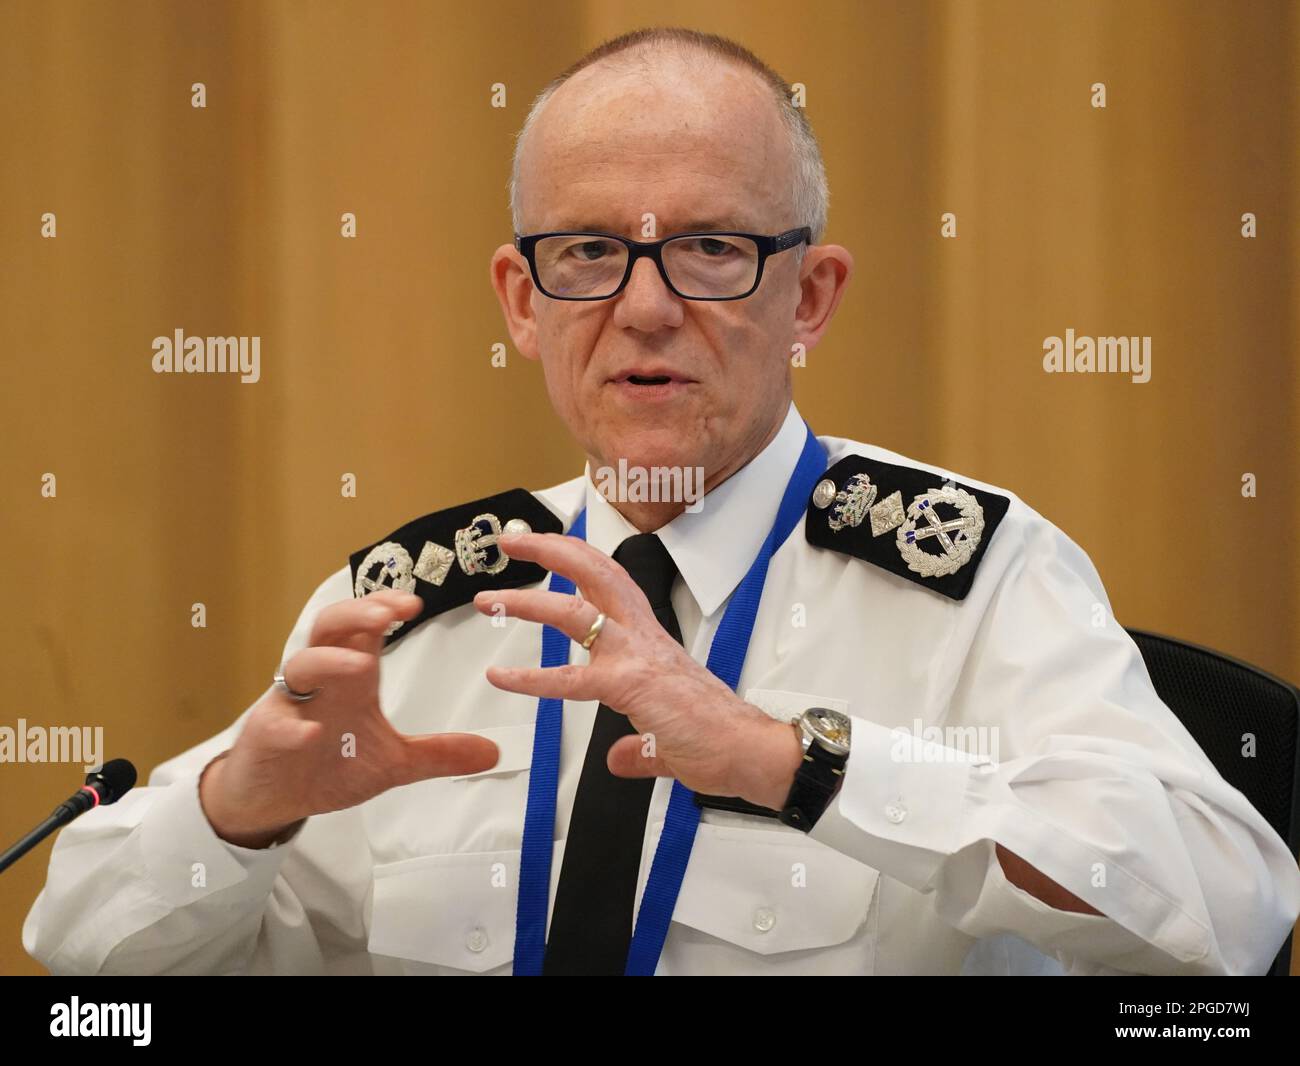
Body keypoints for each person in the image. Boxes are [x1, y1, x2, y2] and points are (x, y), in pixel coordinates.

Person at [23, 27, 1300, 976]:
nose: (642, 307)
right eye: (587, 252)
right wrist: (236, 815)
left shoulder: (971, 575)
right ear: (521, 304)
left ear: (808, 298)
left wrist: (788, 761)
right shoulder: (410, 607)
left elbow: (1231, 906)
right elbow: (83, 969)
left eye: (708, 248)